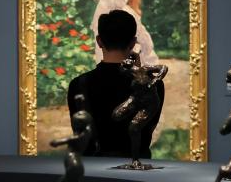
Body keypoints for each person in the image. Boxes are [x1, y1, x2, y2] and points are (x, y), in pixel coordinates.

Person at [67, 10, 164, 159]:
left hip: (93, 168)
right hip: (137, 167)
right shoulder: (154, 84)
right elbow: (147, 129)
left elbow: (80, 133)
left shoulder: (78, 85)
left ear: (99, 41)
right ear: (133, 43)